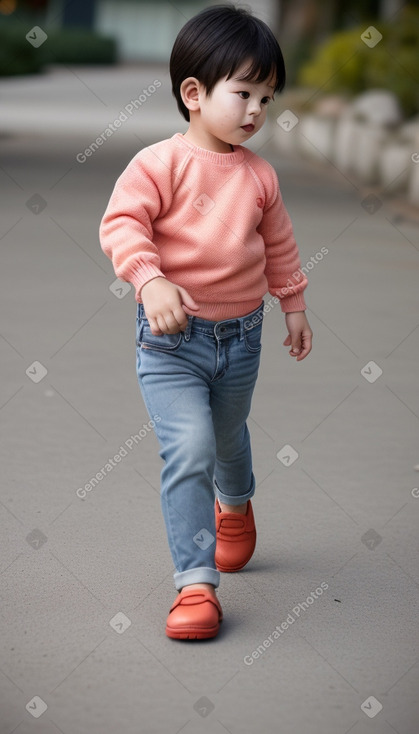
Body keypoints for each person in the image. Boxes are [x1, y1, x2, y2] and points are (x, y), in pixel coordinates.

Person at [99, 3, 313, 640]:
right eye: (243, 92)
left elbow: (279, 247)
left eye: (266, 98)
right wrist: (150, 278)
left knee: (227, 437)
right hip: (170, 344)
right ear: (194, 93)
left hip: (241, 340)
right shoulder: (157, 165)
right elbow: (122, 224)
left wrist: (294, 305)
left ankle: (238, 504)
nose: (255, 111)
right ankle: (195, 584)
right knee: (188, 449)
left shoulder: (259, 177)